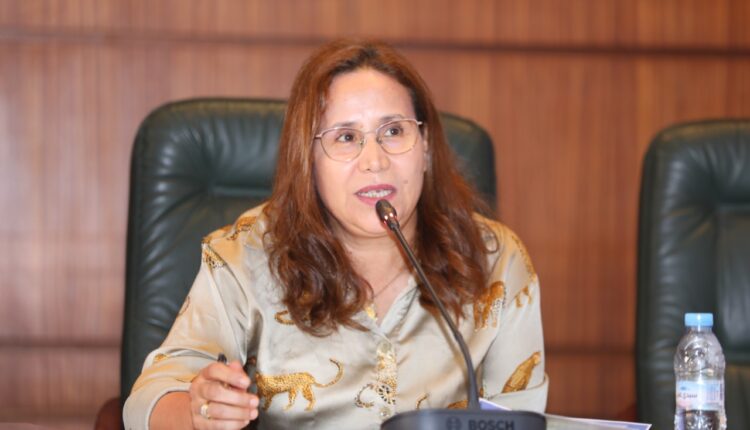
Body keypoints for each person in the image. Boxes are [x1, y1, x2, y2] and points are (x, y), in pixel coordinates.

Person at [124, 39, 547, 430]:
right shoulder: (247, 253)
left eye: (393, 131)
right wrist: (198, 412)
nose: (374, 161)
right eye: (346, 137)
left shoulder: (495, 259)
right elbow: (147, 399)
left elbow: (520, 415)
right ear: (308, 160)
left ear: (426, 147)